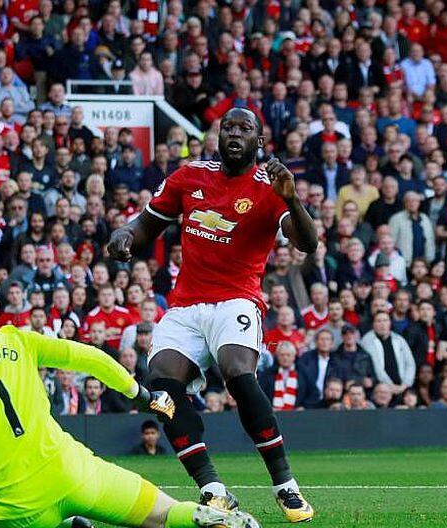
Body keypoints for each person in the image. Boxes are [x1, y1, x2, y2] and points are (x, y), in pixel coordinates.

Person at [107, 107, 318, 521]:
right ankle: (212, 488)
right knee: (161, 387)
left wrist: (293, 199)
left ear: (259, 141)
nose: (234, 134)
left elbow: (307, 243)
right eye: (228, 128)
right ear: (218, 137)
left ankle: (285, 485)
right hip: (186, 304)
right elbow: (146, 224)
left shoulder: (271, 186)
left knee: (237, 371)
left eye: (244, 129)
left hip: (237, 299)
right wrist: (125, 234)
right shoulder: (189, 176)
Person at [0, 288, 259, 528]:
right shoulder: (15, 339)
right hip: (77, 474)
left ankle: (61, 524)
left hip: (21, 509)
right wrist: (140, 394)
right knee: (164, 515)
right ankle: (208, 518)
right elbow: (88, 356)